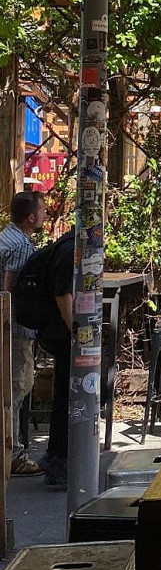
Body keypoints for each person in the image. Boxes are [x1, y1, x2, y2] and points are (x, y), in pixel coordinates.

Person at [15, 231, 74, 489]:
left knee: (66, 394)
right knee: (67, 396)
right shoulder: (70, 251)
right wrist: (78, 333)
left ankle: (57, 458)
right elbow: (62, 294)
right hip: (59, 330)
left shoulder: (63, 247)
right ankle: (58, 461)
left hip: (53, 329)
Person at [0, 191, 46, 475]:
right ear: (30, 217)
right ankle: (14, 454)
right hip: (15, 328)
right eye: (42, 211)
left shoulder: (6, 237)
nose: (45, 215)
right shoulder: (20, 246)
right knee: (17, 387)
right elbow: (10, 289)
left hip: (9, 327)